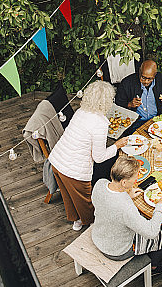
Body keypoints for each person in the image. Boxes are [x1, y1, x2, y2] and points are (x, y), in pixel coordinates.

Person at [48, 81, 130, 231]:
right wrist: (117, 146)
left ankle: (77, 222)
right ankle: (93, 225)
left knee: (69, 197)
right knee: (85, 202)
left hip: (57, 162)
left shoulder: (81, 111)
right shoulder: (100, 123)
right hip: (75, 170)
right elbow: (99, 157)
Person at [91, 156, 162, 273]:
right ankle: (154, 266)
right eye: (135, 178)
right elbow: (151, 232)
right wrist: (160, 206)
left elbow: (106, 204)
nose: (136, 180)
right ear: (124, 182)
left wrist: (128, 196)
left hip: (99, 235)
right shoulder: (126, 207)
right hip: (118, 251)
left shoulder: (100, 183)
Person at [115, 59, 162, 133]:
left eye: (150, 79)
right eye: (143, 78)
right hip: (137, 122)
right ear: (139, 72)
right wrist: (130, 104)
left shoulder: (161, 79)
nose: (146, 82)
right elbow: (118, 103)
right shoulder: (127, 83)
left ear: (155, 75)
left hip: (157, 118)